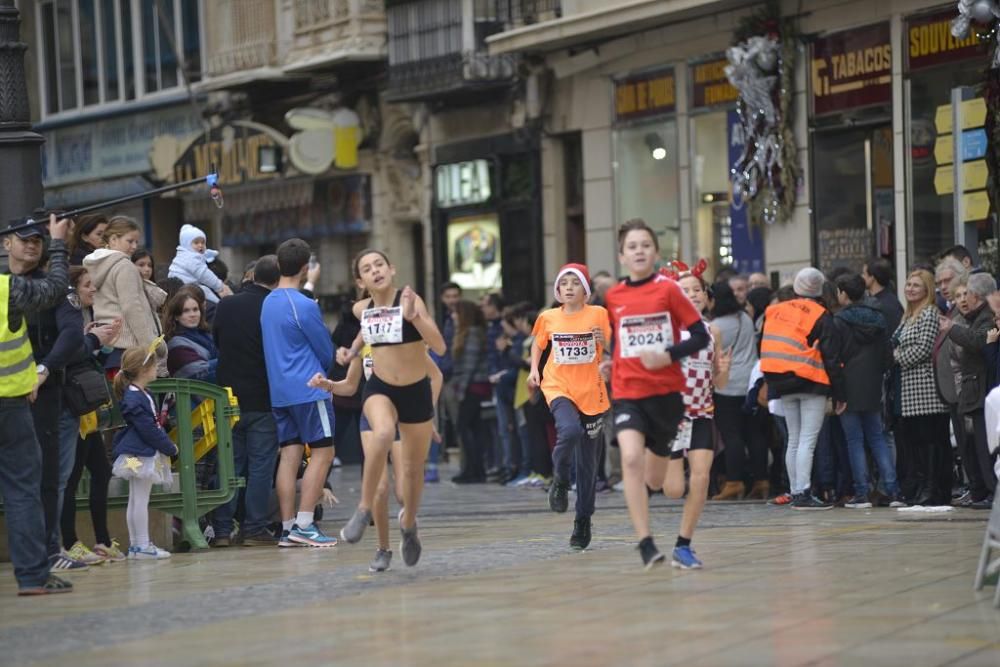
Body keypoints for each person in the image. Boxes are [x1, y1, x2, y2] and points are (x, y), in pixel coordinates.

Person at [602, 219, 710, 568]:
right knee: (631, 458)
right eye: (632, 246)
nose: (639, 251)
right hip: (627, 392)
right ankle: (645, 542)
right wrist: (611, 364)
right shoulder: (614, 296)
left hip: (666, 394)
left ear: (655, 252)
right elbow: (620, 341)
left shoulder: (669, 291)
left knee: (657, 479)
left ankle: (672, 537)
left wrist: (667, 355)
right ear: (622, 256)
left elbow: (699, 336)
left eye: (645, 245)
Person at [5, 219, 87, 571]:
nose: (32, 246)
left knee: (46, 477)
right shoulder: (7, 284)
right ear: (7, 243)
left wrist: (44, 370)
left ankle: (49, 552)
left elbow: (72, 333)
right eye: (24, 240)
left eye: (39, 240)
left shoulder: (53, 286)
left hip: (43, 390)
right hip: (12, 395)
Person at [261, 239, 337, 547]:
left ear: (278, 265)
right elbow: (325, 349)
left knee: (290, 456)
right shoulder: (304, 304)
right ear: (306, 268)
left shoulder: (268, 302)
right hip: (308, 388)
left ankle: (288, 526)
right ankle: (305, 524)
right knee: (324, 451)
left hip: (279, 390)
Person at [529, 263, 611, 550]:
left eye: (575, 283)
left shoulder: (599, 314)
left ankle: (583, 519)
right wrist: (533, 370)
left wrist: (607, 348)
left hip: (591, 390)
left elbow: (611, 347)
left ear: (586, 290)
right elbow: (538, 344)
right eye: (563, 283)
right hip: (558, 385)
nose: (568, 288)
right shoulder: (548, 317)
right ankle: (561, 481)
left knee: (588, 464)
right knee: (569, 431)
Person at [653, 271, 730, 568]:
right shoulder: (667, 331)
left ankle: (683, 546)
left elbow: (719, 383)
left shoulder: (713, 332)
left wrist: (723, 368)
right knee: (673, 489)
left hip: (702, 413)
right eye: (684, 290)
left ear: (705, 295)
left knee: (701, 478)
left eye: (696, 289)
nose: (692, 294)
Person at [760, 267, 845, 511]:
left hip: (782, 383)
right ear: (820, 289)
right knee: (808, 439)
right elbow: (831, 357)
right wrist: (840, 394)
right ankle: (804, 493)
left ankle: (796, 491)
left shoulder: (775, 311)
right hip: (811, 382)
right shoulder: (821, 315)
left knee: (794, 439)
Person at [211, 255, 281, 546]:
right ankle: (254, 528)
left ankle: (223, 530)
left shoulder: (226, 305)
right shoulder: (273, 306)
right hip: (262, 399)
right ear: (277, 281)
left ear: (250, 277)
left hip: (227, 397)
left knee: (228, 464)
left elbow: (216, 340)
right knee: (261, 466)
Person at [60, 267, 124, 563]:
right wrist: (92, 341)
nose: (93, 290)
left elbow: (85, 354)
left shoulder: (84, 317)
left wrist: (101, 341)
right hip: (72, 408)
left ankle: (101, 540)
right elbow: (70, 355)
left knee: (100, 471)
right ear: (73, 289)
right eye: (87, 286)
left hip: (88, 411)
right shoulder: (68, 316)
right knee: (70, 479)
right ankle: (70, 542)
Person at [833, 273, 904, 509]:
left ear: (843, 293)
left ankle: (862, 493)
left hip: (847, 387)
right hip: (873, 385)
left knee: (854, 440)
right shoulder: (878, 317)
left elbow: (834, 358)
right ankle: (892, 490)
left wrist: (838, 394)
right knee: (877, 438)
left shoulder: (839, 321)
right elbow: (886, 356)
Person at [110, 343, 176, 560]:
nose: (157, 369)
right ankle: (142, 545)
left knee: (136, 498)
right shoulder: (136, 397)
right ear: (144, 369)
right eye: (155, 365)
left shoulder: (138, 393)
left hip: (136, 453)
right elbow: (149, 429)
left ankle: (138, 545)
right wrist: (169, 446)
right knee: (140, 499)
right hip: (140, 453)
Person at [893, 269, 951, 505]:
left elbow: (923, 349)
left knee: (930, 441)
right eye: (908, 284)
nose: (910, 289)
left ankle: (933, 488)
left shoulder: (929, 313)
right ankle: (921, 485)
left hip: (926, 389)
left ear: (927, 290)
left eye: (916, 285)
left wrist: (898, 356)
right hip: (908, 390)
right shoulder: (907, 315)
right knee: (915, 442)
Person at [940, 272, 997, 507]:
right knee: (973, 447)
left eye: (968, 294)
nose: (965, 299)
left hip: (983, 389)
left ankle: (992, 491)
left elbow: (977, 341)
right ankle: (981, 490)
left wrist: (952, 328)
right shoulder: (974, 317)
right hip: (972, 390)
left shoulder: (984, 318)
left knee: (986, 447)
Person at [84, 217, 165, 371]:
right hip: (129, 346)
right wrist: (150, 345)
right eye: (130, 241)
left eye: (136, 242)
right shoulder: (124, 266)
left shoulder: (94, 265)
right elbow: (132, 308)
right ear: (114, 239)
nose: (134, 246)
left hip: (106, 344)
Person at [710, 280, 767, 500]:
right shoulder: (745, 317)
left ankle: (734, 482)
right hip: (751, 383)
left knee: (732, 435)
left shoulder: (717, 326)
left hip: (728, 386)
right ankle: (762, 481)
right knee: (755, 434)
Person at [448, 300, 490, 483]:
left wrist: (462, 390)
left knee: (464, 426)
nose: (453, 316)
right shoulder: (466, 333)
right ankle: (476, 469)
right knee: (473, 427)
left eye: (456, 313)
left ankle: (473, 469)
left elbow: (470, 364)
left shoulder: (472, 333)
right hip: (471, 384)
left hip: (473, 386)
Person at [168, 224, 232, 306]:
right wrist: (220, 286)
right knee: (205, 292)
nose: (200, 245)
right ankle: (219, 306)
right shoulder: (190, 258)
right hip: (184, 286)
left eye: (203, 242)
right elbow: (204, 274)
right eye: (196, 242)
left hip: (182, 286)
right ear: (186, 244)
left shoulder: (184, 255)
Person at [163, 291, 217, 382]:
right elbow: (197, 373)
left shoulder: (207, 335)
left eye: (195, 309)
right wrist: (227, 360)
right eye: (186, 311)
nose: (192, 315)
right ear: (176, 316)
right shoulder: (176, 344)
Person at [862, 258, 903, 335]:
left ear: (872, 277)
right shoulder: (872, 300)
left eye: (864, 274)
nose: (862, 277)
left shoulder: (888, 305)